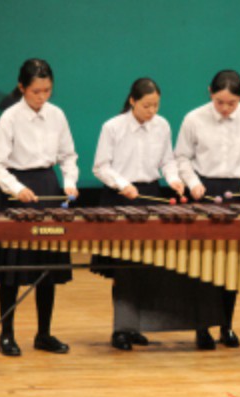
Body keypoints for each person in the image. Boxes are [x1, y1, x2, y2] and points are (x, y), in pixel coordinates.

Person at [92, 78, 226, 350]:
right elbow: (100, 167)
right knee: (125, 269)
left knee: (147, 267)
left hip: (149, 195)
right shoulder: (113, 127)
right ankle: (121, 330)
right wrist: (122, 184)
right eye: (146, 106)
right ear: (132, 101)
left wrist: (174, 179)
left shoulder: (162, 125)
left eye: (156, 105)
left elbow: (167, 160)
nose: (152, 111)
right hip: (120, 197)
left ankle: (137, 326)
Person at [174, 70, 240, 349]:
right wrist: (193, 183)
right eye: (219, 102)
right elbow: (181, 157)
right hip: (204, 191)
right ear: (210, 92)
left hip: (238, 193)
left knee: (232, 266)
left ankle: (226, 326)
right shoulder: (193, 119)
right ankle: (202, 327)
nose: (225, 108)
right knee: (203, 263)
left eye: (232, 103)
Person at [0, 58, 79, 356]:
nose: (42, 97)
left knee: (46, 266)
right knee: (12, 269)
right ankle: (6, 334)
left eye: (47, 90)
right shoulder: (9, 118)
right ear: (22, 88)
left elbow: (68, 156)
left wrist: (69, 182)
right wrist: (17, 188)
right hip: (16, 192)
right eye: (36, 91)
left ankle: (44, 333)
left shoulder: (57, 115)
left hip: (48, 186)